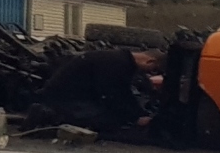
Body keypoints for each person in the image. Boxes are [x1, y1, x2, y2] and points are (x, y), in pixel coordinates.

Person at [27, 43, 166, 143]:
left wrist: (139, 113)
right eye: (153, 69)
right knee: (109, 123)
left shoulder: (118, 59)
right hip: (66, 100)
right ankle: (49, 116)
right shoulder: (116, 64)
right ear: (149, 61)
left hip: (71, 96)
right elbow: (111, 95)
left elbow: (122, 92)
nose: (149, 73)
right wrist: (135, 117)